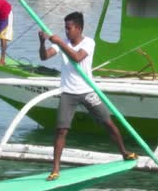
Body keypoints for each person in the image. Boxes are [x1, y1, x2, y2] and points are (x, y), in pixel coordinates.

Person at [38, 11, 137, 181]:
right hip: (68, 92)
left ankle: (124, 152)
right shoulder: (63, 43)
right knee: (61, 130)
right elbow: (44, 57)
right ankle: (55, 169)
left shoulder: (89, 43)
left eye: (69, 28)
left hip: (87, 91)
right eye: (65, 28)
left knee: (107, 122)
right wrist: (42, 42)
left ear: (79, 28)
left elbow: (77, 58)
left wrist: (60, 42)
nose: (66, 31)